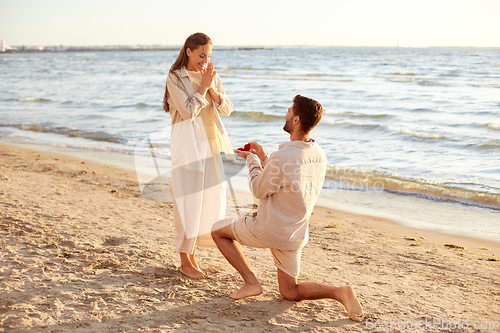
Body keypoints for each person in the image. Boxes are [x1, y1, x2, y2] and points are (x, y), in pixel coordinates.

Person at [211, 95, 364, 321]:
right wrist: (264, 157)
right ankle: (340, 292)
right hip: (294, 233)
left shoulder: (282, 157)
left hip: (268, 228)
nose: (286, 114)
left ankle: (251, 282)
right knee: (289, 291)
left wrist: (252, 161)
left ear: (297, 120)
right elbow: (287, 179)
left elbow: (258, 189)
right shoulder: (319, 154)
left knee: (217, 231)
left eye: (289, 111)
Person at [163, 32, 234, 279]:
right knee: (188, 203)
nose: (205, 60)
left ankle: (193, 257)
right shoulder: (175, 78)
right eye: (201, 54)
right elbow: (188, 111)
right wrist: (204, 87)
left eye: (209, 55)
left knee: (209, 203)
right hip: (189, 148)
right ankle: (184, 261)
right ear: (189, 51)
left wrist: (213, 91)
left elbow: (227, 109)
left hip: (212, 145)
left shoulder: (211, 76)